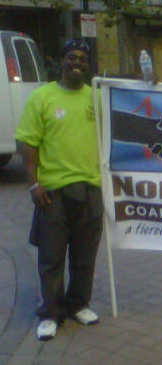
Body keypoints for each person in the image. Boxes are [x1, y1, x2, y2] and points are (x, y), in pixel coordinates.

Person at [15, 38, 103, 341]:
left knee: (85, 256)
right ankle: (50, 313)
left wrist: (150, 83)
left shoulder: (97, 98)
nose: (77, 63)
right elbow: (28, 143)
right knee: (51, 258)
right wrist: (34, 183)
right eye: (71, 58)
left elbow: (128, 113)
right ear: (61, 61)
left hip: (91, 189)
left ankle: (78, 304)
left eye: (82, 58)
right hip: (53, 192)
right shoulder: (42, 97)